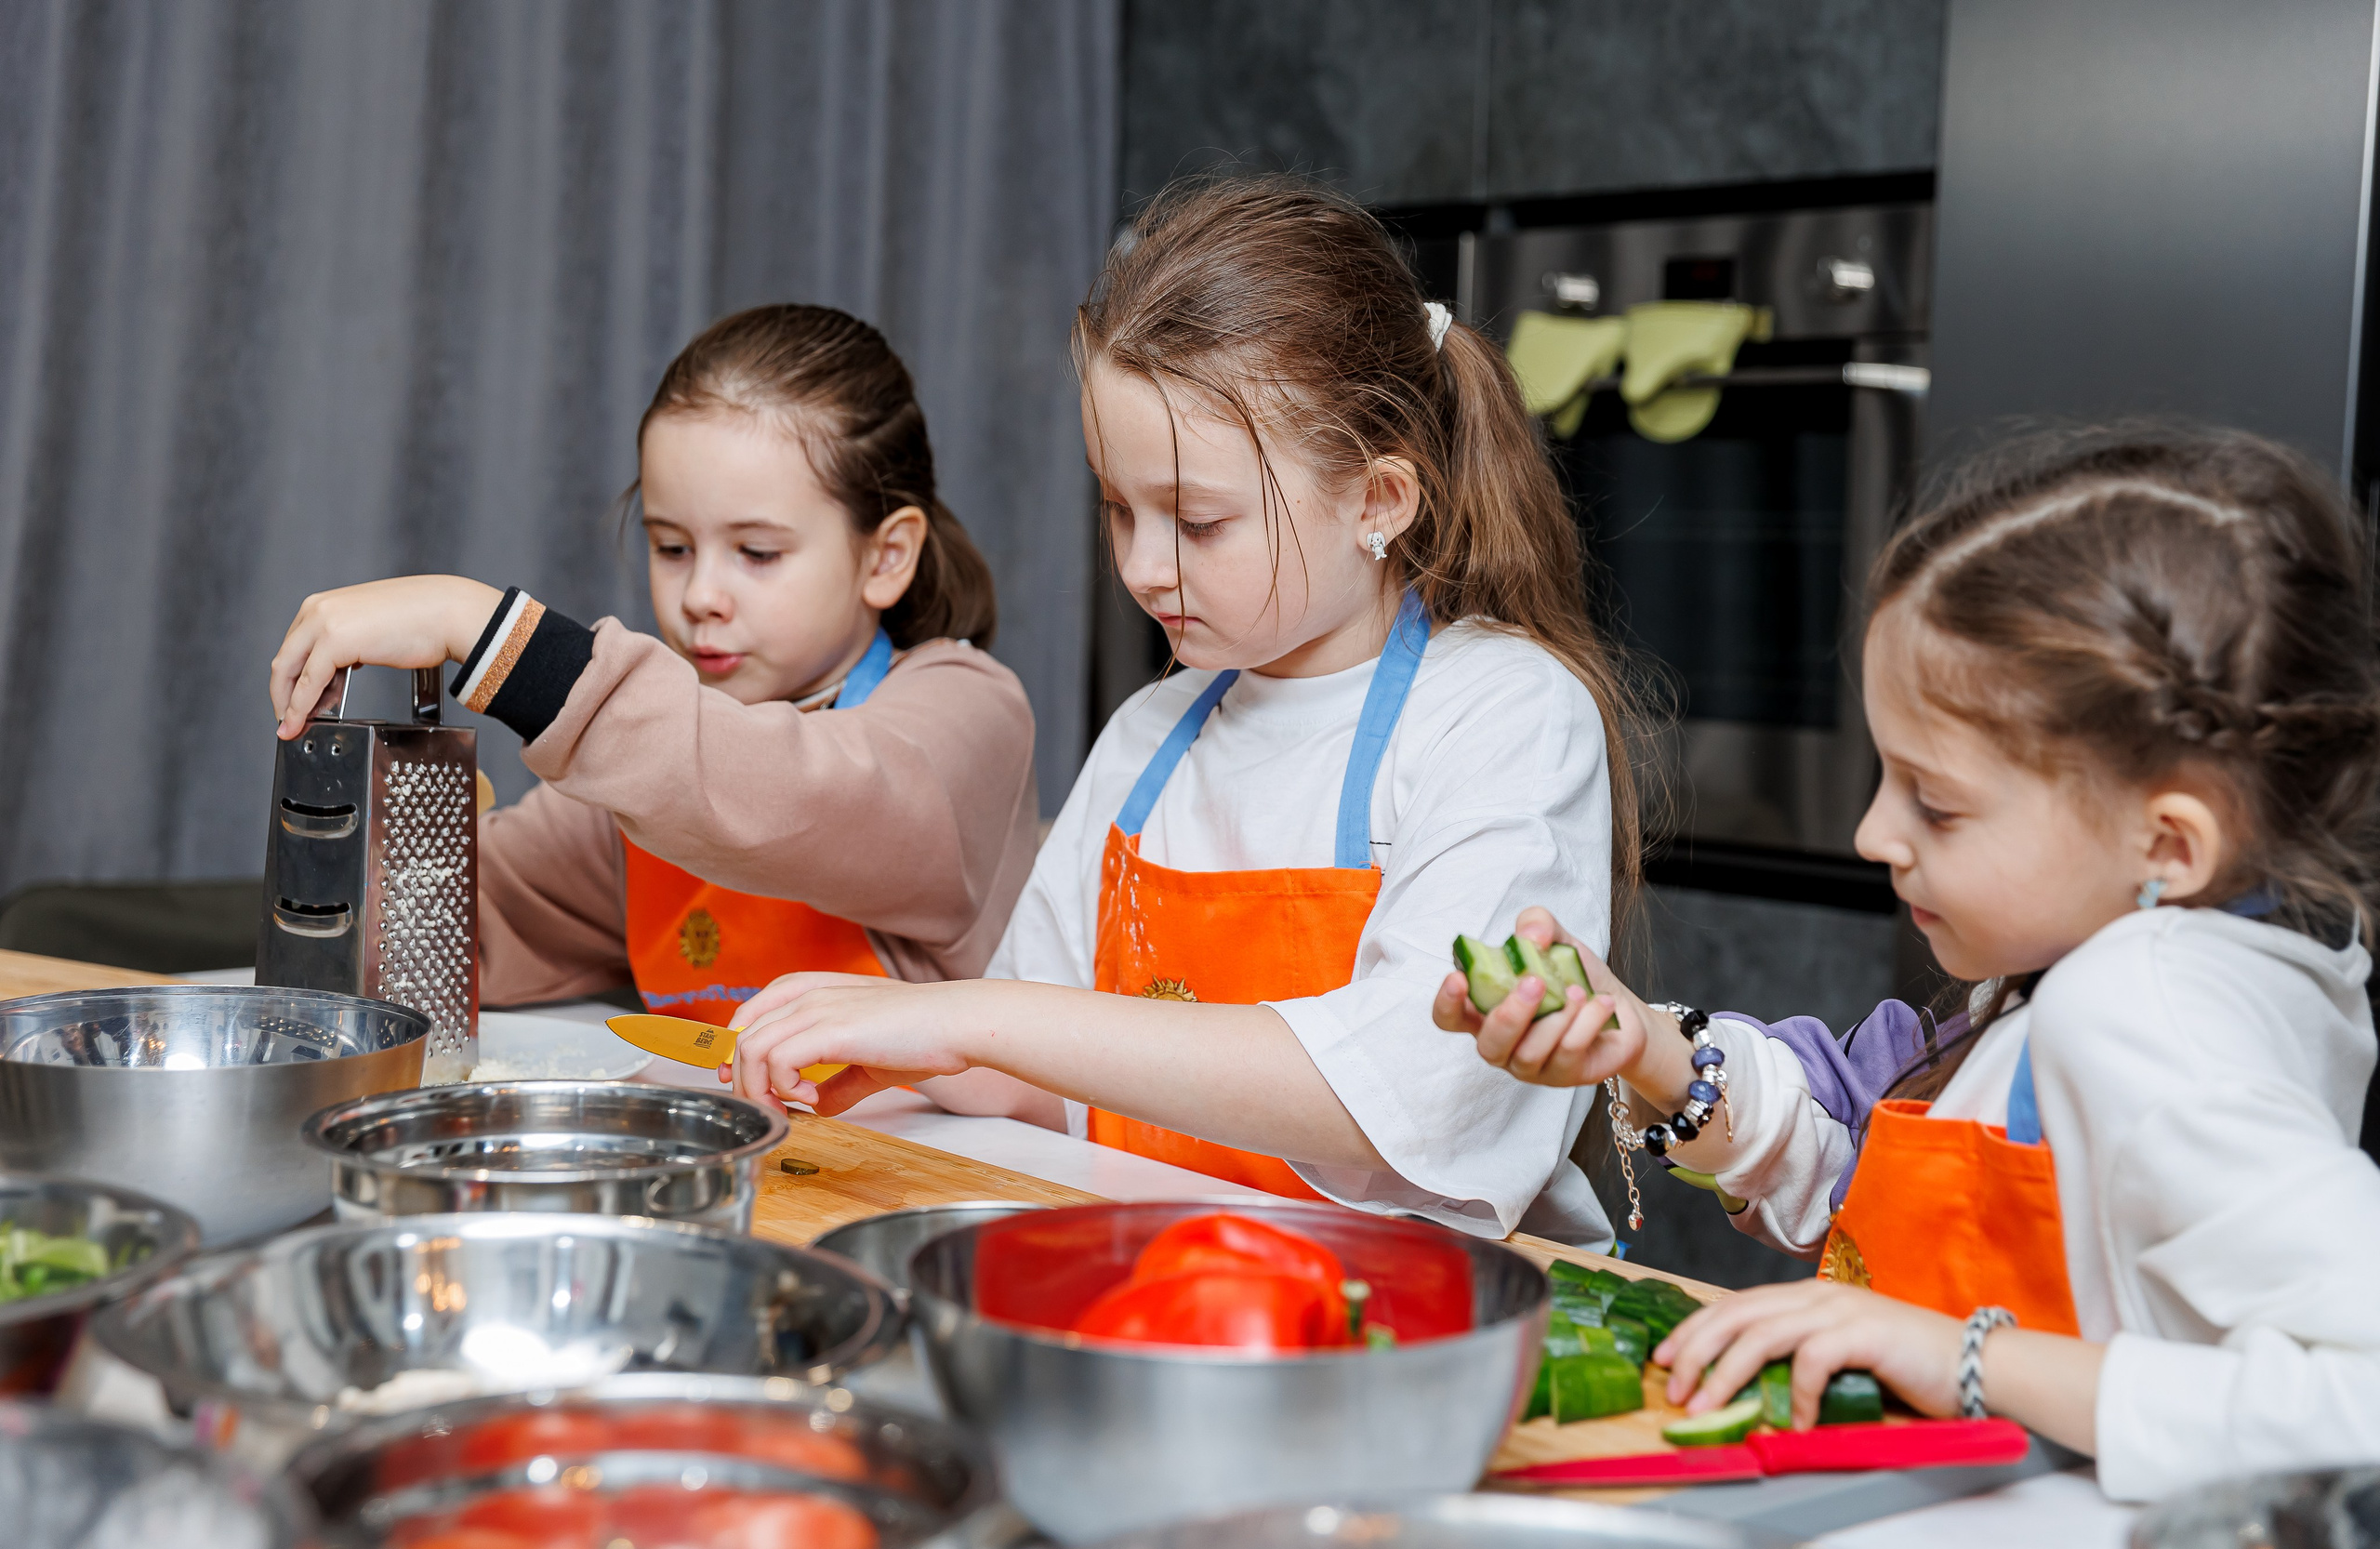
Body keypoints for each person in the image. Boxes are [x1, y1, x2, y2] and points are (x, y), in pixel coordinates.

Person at [1437, 423, 2380, 1500]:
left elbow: (2361, 1395)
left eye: (1935, 802)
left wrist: (1965, 1359)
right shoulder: (2056, 981)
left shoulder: (2143, 1013)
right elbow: (1860, 1169)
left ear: (2167, 843)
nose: (1875, 835)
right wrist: (1646, 1047)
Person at [724, 175, 1647, 1245]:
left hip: (1405, 1314)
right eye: (1119, 509)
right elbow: (1063, 1084)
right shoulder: (1152, 735)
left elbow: (1394, 1094)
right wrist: (903, 1054)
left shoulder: (1505, 715)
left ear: (1377, 502)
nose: (1144, 567)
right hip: (1166, 1272)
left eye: (1198, 520)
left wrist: (967, 1014)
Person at [268, 305, 1040, 1026]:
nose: (701, 594)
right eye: (672, 547)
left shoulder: (970, 713)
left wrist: (487, 631)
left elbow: (793, 793)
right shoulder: (634, 781)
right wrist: (391, 836)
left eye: (758, 553)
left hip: (949, 1169)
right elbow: (465, 934)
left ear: (887, 555)